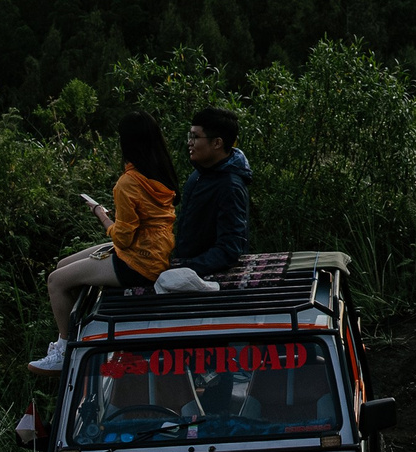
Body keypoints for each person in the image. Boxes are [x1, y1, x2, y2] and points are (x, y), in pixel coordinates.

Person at [29, 112, 178, 376]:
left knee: (55, 281)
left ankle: (65, 350)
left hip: (137, 261)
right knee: (64, 265)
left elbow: (123, 237)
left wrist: (101, 214)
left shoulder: (128, 182)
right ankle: (79, 332)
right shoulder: (160, 172)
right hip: (156, 251)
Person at [157, 106, 250, 292]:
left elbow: (229, 249)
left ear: (217, 143)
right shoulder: (200, 174)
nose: (190, 143)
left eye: (195, 137)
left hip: (200, 278)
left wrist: (186, 268)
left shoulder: (230, 185)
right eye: (189, 136)